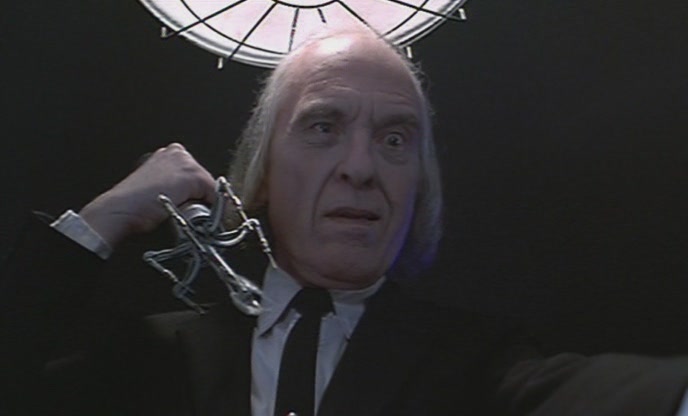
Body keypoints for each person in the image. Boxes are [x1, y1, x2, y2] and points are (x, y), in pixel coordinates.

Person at [2, 28, 688, 416]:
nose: (361, 167)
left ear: (417, 187)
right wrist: (98, 223)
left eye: (395, 139)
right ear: (262, 172)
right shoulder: (151, 355)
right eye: (323, 126)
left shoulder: (476, 363)